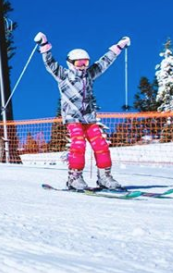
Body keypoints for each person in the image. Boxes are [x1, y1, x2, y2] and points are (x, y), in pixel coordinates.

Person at [34, 32, 130, 191]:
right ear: (71, 63)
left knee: (101, 145)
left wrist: (119, 46)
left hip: (89, 118)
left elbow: (105, 61)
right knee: (78, 144)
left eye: (85, 63)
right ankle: (74, 178)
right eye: (79, 63)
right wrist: (44, 45)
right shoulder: (63, 75)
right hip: (73, 117)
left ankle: (104, 177)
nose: (83, 66)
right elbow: (50, 63)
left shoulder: (90, 75)